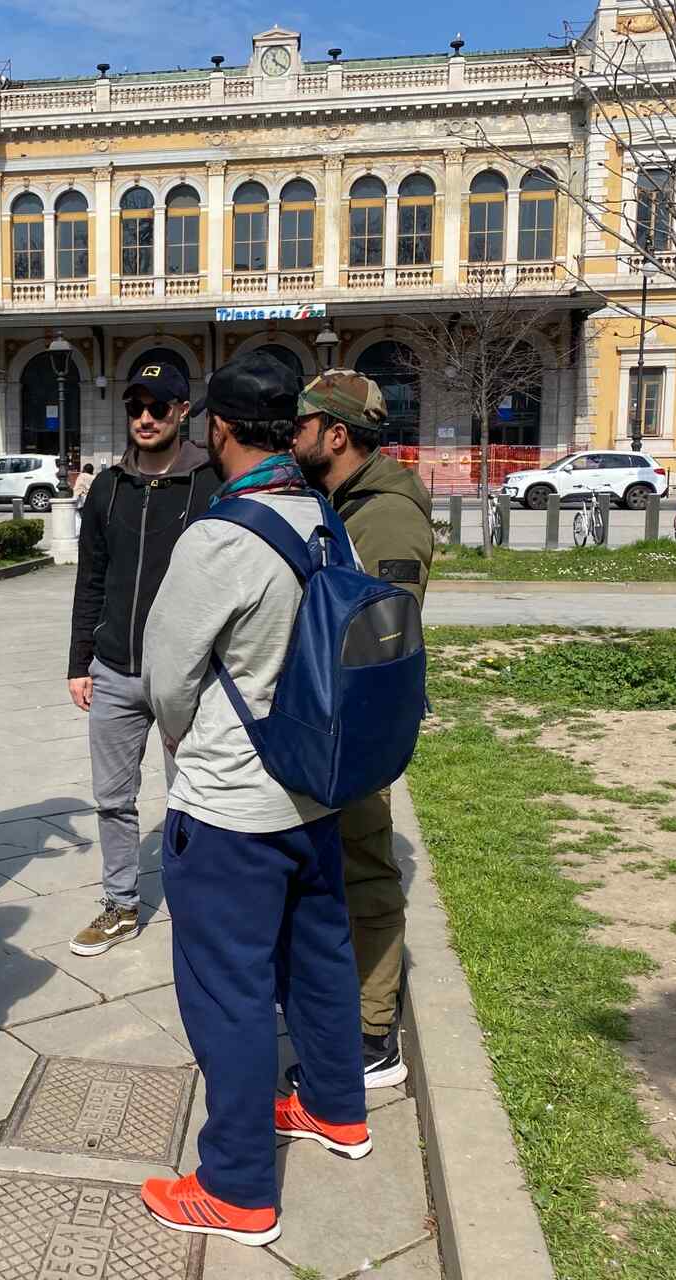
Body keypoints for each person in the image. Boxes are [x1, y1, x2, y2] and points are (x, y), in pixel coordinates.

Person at [138, 351, 371, 1247]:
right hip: (314, 787)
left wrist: (185, 744)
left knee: (227, 988)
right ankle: (335, 1107)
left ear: (219, 428)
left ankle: (236, 1187)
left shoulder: (220, 536)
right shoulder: (322, 519)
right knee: (319, 953)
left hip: (233, 803)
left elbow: (167, 677)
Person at [289, 369, 434, 1088]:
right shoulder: (337, 499)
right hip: (323, 725)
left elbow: (380, 634)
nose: (291, 438)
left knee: (367, 870)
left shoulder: (386, 516)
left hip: (355, 731)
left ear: (335, 435)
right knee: (331, 871)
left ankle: (374, 1034)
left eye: (301, 427)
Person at [66, 361, 219, 957]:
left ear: (183, 411)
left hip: (185, 675)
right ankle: (120, 904)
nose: (146, 418)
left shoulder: (209, 484)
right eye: (136, 408)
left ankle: (196, 907)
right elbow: (91, 580)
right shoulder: (108, 488)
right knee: (112, 798)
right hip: (112, 670)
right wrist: (79, 661)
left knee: (191, 796)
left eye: (158, 407)